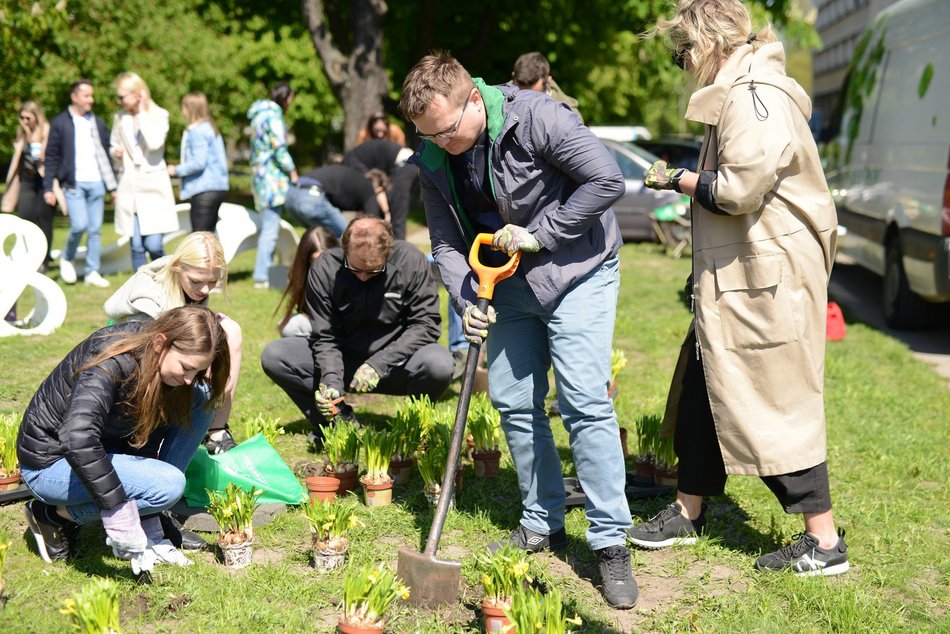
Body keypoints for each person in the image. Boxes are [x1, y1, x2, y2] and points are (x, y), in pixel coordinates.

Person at [400, 54, 636, 609]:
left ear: (474, 100)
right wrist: (466, 298)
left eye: (448, 130)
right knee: (511, 401)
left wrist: (542, 234)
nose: (442, 143)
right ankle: (541, 519)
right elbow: (444, 245)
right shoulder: (433, 156)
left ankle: (609, 542)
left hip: (576, 268)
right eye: (428, 135)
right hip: (501, 282)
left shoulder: (539, 118)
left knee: (581, 399)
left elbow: (606, 180)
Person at [629, 0, 847, 578]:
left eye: (682, 51)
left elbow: (738, 190)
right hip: (743, 276)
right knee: (706, 382)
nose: (682, 63)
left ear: (707, 43)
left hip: (764, 281)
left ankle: (823, 542)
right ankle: (687, 508)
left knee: (776, 400)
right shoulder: (748, 88)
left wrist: (679, 178)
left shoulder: (755, 97)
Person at [18, 305, 230, 573]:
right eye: (186, 367)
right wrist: (119, 510)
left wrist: (147, 512)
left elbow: (145, 436)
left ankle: (151, 510)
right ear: (160, 342)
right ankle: (51, 515)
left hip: (102, 450)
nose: (189, 378)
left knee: (200, 397)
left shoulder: (161, 368)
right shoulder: (113, 360)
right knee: (168, 485)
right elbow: (77, 438)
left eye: (197, 370)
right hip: (50, 463)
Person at [260, 217, 454, 436]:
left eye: (372, 272)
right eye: (355, 270)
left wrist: (379, 364)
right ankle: (338, 422)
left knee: (439, 364)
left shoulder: (411, 261)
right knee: (275, 355)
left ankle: (416, 427)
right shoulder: (325, 269)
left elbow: (425, 325)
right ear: (344, 249)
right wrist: (331, 381)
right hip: (345, 361)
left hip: (398, 363)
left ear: (388, 251)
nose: (362, 277)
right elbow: (326, 336)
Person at [104, 232, 243, 456]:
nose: (205, 290)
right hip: (136, 380)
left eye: (212, 282)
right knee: (204, 387)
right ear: (178, 268)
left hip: (174, 368)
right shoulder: (148, 303)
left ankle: (218, 430)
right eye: (197, 282)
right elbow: (142, 362)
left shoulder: (189, 289)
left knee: (231, 331)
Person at [43, 79, 117, 288]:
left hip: (97, 182)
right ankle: (67, 256)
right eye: (86, 96)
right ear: (74, 97)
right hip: (73, 183)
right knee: (79, 225)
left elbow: (107, 154)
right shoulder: (60, 123)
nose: (91, 100)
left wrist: (113, 186)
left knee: (95, 230)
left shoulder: (98, 122)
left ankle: (92, 270)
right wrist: (48, 187)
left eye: (92, 96)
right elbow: (52, 156)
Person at [111, 72, 180, 272]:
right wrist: (115, 152)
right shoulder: (120, 117)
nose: (120, 101)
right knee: (136, 245)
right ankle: (139, 290)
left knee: (154, 245)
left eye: (123, 96)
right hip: (130, 187)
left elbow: (155, 143)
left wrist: (141, 113)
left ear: (138, 94)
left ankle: (167, 277)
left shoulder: (159, 115)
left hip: (153, 187)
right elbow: (114, 144)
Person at [248, 81, 298, 289]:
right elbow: (279, 148)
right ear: (285, 98)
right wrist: (293, 171)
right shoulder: (274, 116)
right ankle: (262, 276)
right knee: (270, 227)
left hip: (259, 177)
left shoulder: (258, 115)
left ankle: (266, 270)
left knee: (269, 224)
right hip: (272, 179)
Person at [3, 101, 58, 270]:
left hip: (44, 180)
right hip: (26, 180)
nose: (24, 121)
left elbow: (46, 156)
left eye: (28, 118)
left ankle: (45, 260)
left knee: (44, 219)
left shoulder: (47, 130)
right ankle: (28, 256)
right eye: (22, 118)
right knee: (26, 217)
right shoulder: (22, 133)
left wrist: (35, 141)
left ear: (36, 116)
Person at [167, 92, 230, 232]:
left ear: (190, 109)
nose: (182, 112)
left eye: (183, 107)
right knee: (209, 237)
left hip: (204, 189)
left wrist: (175, 170)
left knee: (199, 238)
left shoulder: (197, 131)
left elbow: (198, 162)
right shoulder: (210, 128)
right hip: (217, 188)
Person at [343, 139, 417, 240]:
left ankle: (399, 249)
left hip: (405, 163)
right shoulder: (353, 158)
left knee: (397, 212)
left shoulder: (350, 165)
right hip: (405, 162)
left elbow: (376, 189)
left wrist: (386, 211)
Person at [274, 225, 339, 337]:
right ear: (307, 259)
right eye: (316, 260)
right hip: (319, 323)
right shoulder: (302, 274)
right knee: (288, 326)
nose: (322, 265)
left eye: (326, 258)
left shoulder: (347, 271)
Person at [286, 163, 385, 230]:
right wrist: (386, 212)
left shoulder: (354, 179)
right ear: (379, 189)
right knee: (346, 236)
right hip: (311, 196)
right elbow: (372, 223)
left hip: (290, 196)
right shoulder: (369, 189)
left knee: (319, 236)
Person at [510, 51, 583, 122]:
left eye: (533, 95)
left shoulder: (569, 116)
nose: (526, 100)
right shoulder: (501, 97)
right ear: (514, 78)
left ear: (548, 82)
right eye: (521, 93)